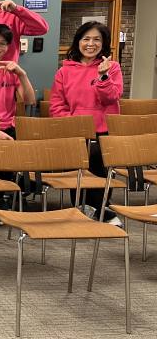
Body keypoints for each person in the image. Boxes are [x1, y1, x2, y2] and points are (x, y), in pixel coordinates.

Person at [50, 21, 123, 224]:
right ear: (78, 42)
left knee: (98, 168)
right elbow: (57, 105)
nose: (91, 43)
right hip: (75, 131)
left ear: (104, 43)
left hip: (103, 131)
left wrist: (102, 76)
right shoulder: (64, 71)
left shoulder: (112, 68)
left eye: (97, 39)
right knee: (79, 172)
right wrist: (74, 124)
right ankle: (83, 209)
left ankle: (101, 210)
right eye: (86, 39)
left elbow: (111, 97)